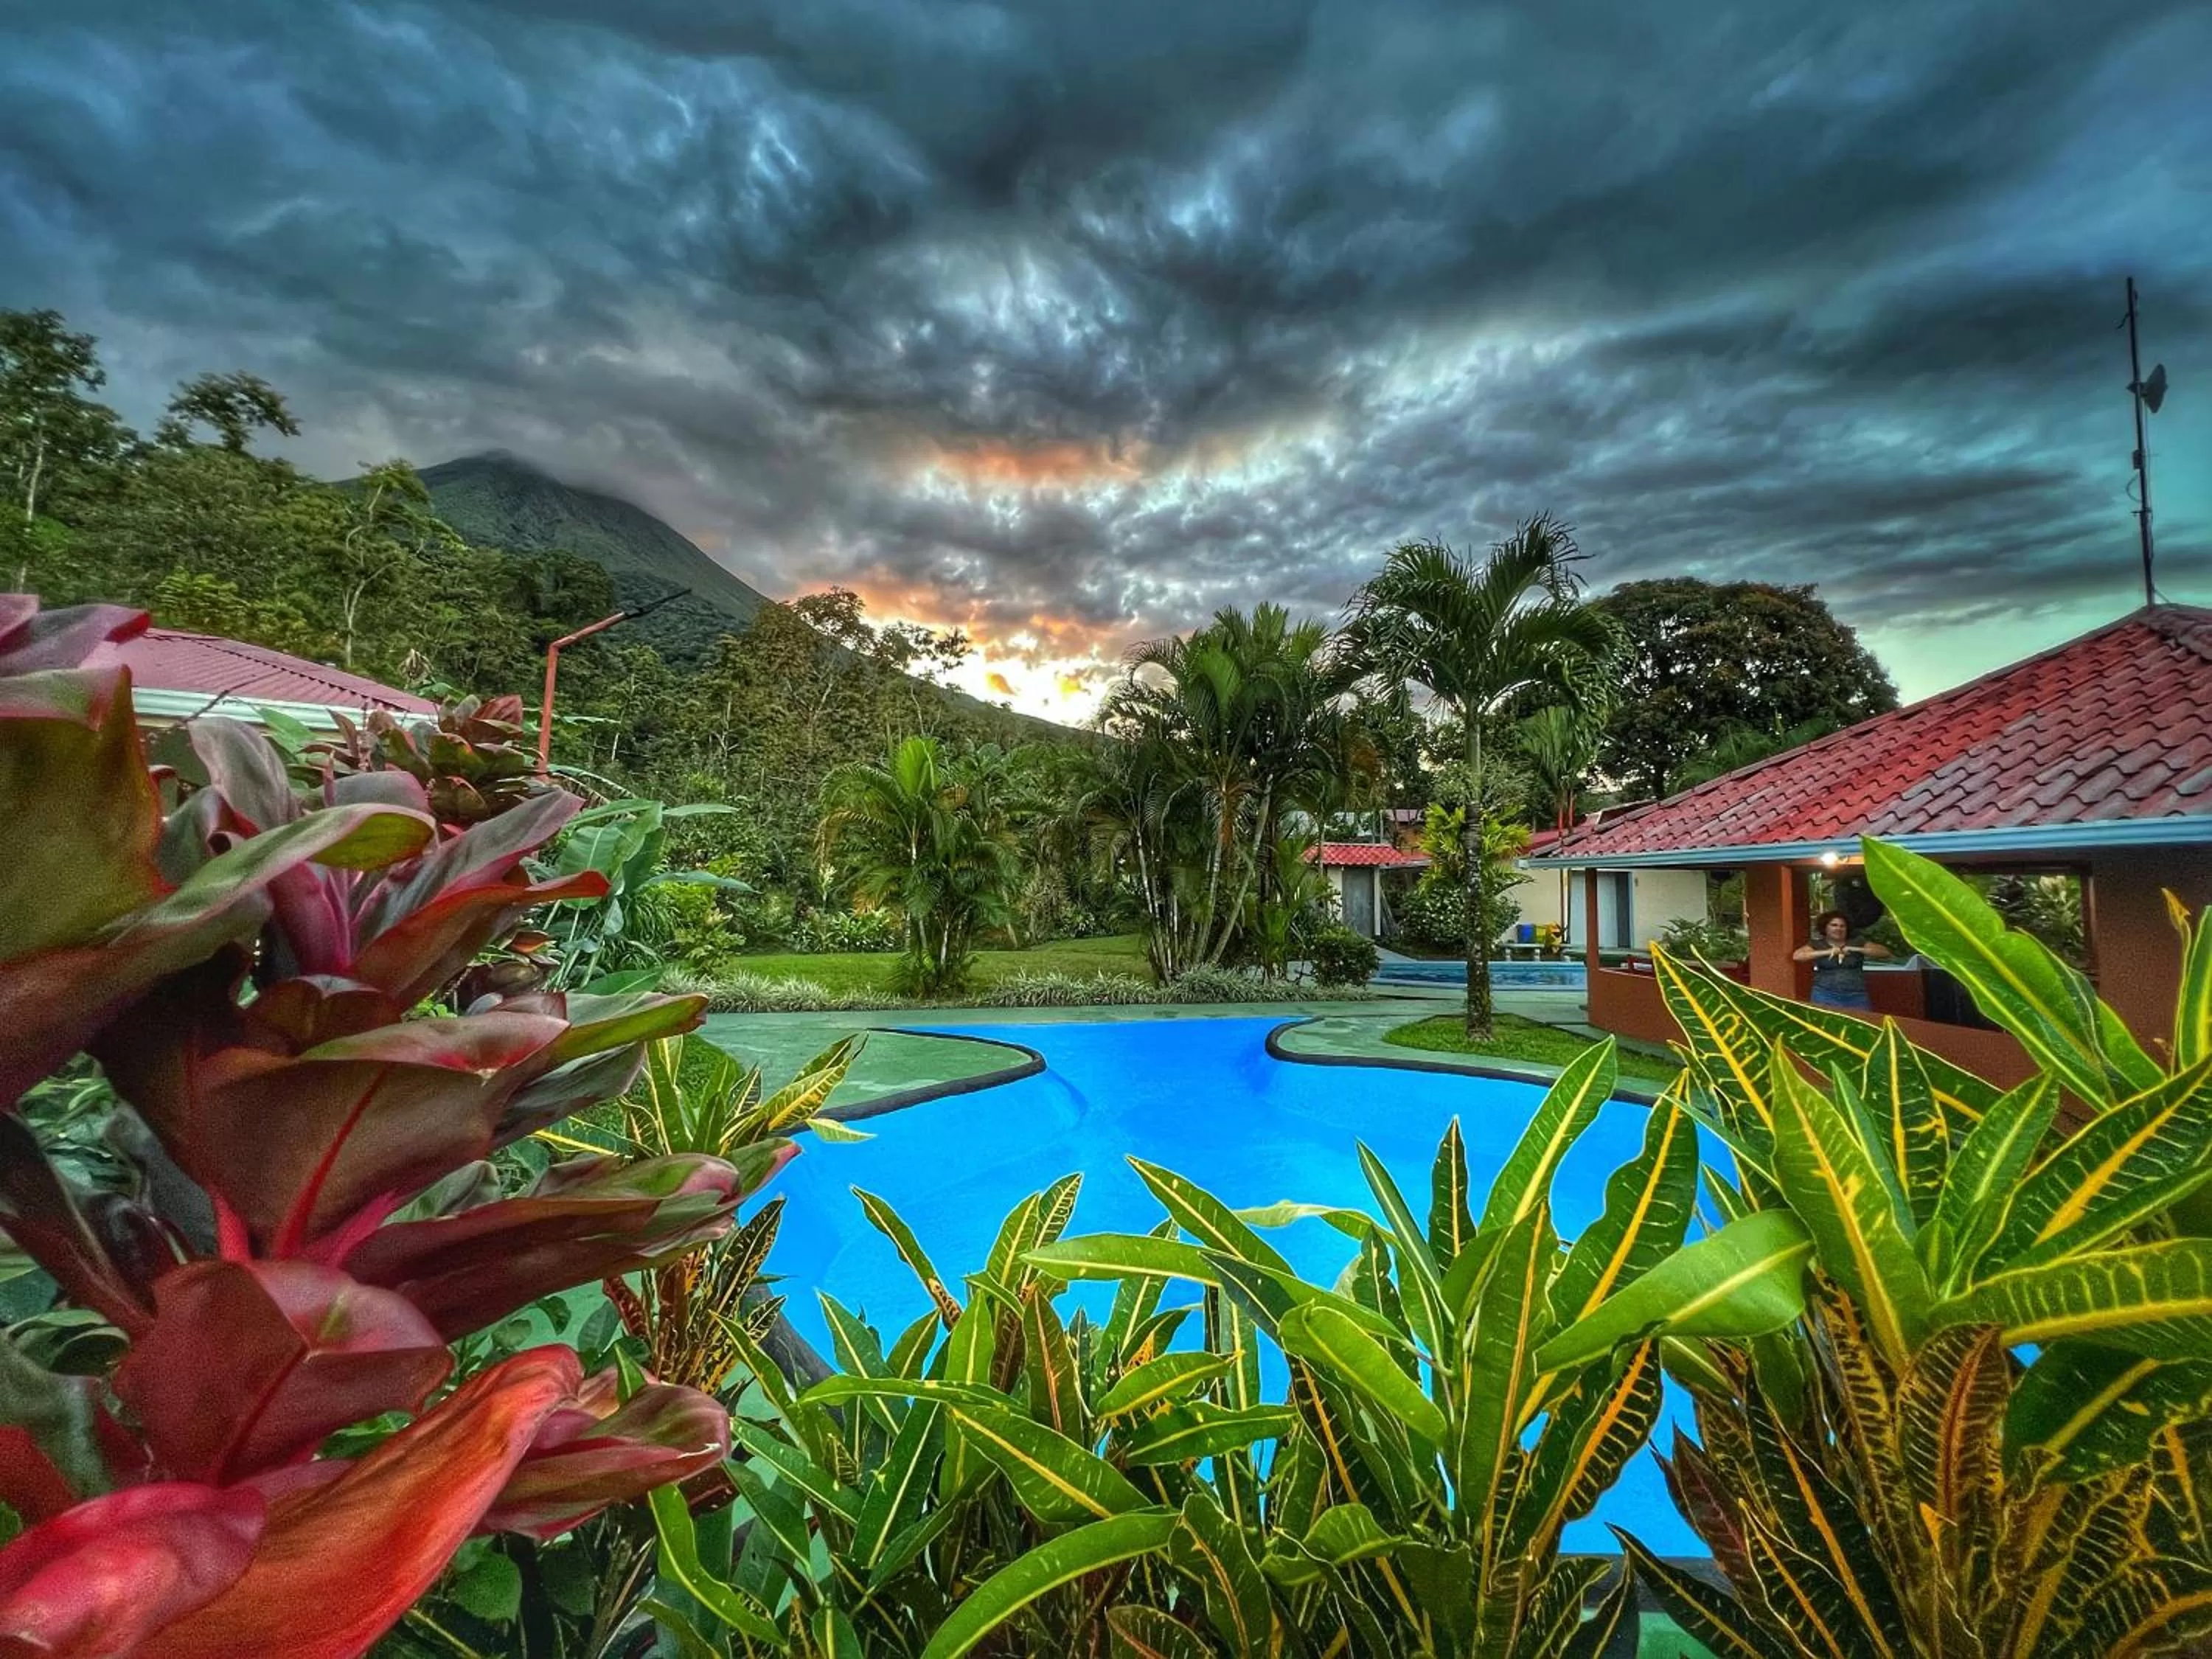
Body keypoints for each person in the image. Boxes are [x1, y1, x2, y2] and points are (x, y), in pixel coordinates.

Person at [1793, 909, 1891, 1010]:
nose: (1838, 929)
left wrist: (1855, 949)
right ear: (1825, 928)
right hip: (1824, 995)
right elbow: (1797, 956)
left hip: (1856, 996)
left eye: (1842, 926)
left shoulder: (1857, 941)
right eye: (1834, 925)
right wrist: (1829, 951)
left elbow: (1885, 952)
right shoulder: (1817, 944)